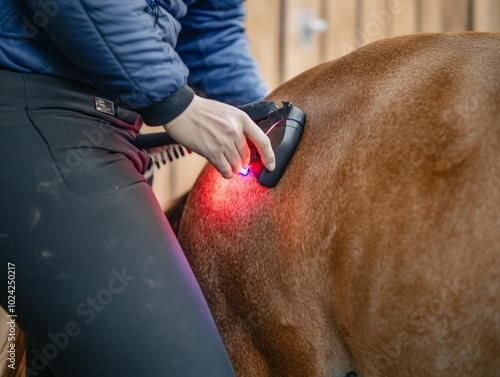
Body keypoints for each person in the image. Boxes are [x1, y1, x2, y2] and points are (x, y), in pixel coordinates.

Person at [0, 0, 275, 376]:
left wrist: (267, 129)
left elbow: (213, 26)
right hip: (33, 109)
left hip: (113, 123)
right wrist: (176, 104)